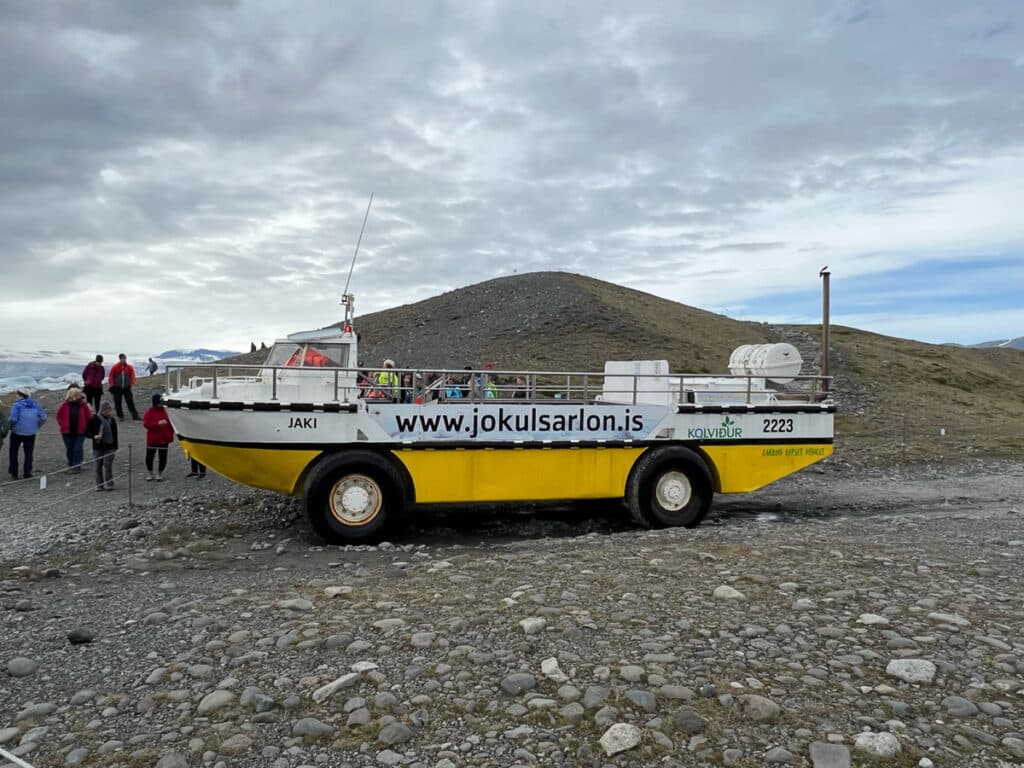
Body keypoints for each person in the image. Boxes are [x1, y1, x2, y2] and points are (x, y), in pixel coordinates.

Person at [8, 388, 47, 480]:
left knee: (13, 452)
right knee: (28, 452)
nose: (16, 396)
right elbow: (43, 418)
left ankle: (14, 473)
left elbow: (13, 419)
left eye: (17, 394)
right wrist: (37, 426)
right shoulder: (35, 404)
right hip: (31, 433)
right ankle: (27, 472)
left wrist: (10, 427)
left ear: (20, 395)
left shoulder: (16, 405)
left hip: (17, 432)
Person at [55, 386, 92, 473]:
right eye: (78, 394)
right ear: (72, 395)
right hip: (67, 431)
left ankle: (76, 466)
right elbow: (58, 416)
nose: (80, 396)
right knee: (70, 448)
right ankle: (71, 464)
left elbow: (89, 416)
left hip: (80, 431)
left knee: (77, 448)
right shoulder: (64, 405)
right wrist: (63, 424)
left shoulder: (83, 405)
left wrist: (86, 426)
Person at [85, 399, 118, 490]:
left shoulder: (112, 420)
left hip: (110, 446)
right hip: (98, 446)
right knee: (98, 466)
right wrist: (94, 436)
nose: (109, 412)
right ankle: (99, 484)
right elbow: (87, 432)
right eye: (107, 410)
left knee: (107, 465)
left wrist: (115, 447)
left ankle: (109, 483)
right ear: (102, 410)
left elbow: (115, 434)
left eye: (110, 409)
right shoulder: (94, 419)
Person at [142, 393, 174, 481]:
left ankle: (160, 473)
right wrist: (157, 424)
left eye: (161, 402)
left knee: (163, 456)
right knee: (150, 456)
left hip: (164, 438)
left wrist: (171, 434)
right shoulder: (150, 412)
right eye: (159, 402)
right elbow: (146, 424)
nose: (160, 404)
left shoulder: (167, 411)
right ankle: (150, 472)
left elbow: (173, 424)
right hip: (153, 438)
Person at [108, 353, 140, 420]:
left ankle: (135, 416)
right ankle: (120, 416)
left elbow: (132, 375)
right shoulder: (115, 367)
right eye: (122, 358)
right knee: (117, 402)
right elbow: (111, 376)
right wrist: (112, 384)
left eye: (124, 358)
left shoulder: (129, 367)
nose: (123, 360)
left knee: (130, 401)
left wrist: (131, 382)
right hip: (117, 387)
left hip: (127, 387)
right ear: (120, 359)